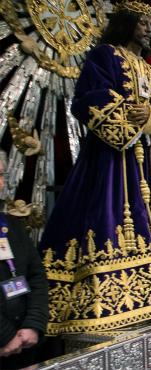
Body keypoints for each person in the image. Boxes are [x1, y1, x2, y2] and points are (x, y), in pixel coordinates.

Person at [38, 0, 151, 335]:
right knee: (104, 213)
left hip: (141, 160)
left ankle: (150, 296)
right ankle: (98, 300)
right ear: (126, 23)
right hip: (110, 157)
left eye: (150, 24)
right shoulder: (105, 55)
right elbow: (87, 97)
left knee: (148, 218)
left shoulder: (147, 67)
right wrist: (129, 115)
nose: (147, 29)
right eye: (141, 23)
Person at [0, 150, 48, 370]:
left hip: (24, 344)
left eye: (1, 175)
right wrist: (5, 335)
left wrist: (33, 324)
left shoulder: (11, 225)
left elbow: (36, 276)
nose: (0, 183)